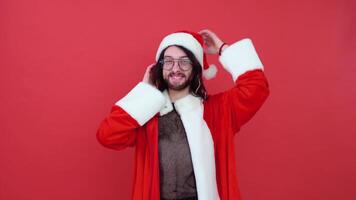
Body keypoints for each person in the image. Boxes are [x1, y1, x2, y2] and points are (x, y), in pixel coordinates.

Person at [97, 29, 270, 200]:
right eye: (169, 61)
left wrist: (222, 48)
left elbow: (256, 88)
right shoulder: (147, 116)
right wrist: (145, 92)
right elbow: (107, 136)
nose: (176, 68)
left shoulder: (219, 110)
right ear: (160, 67)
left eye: (184, 61)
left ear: (195, 68)